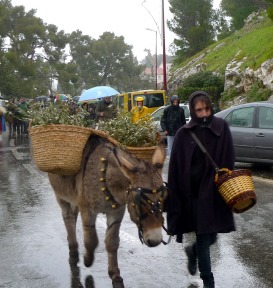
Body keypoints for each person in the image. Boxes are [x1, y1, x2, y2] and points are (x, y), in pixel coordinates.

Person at [166, 91, 236, 288]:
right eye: (199, 110)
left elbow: (229, 156)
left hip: (215, 192)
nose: (204, 113)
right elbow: (176, 169)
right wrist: (174, 199)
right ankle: (209, 282)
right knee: (204, 237)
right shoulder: (183, 134)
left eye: (207, 109)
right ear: (192, 111)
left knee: (213, 235)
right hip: (194, 196)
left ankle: (193, 251)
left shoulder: (221, 127)